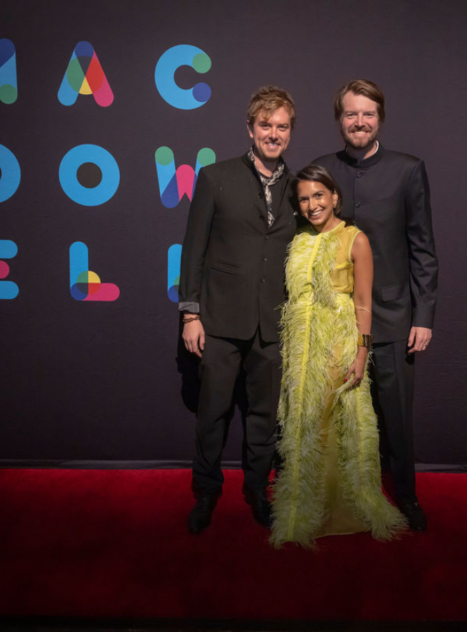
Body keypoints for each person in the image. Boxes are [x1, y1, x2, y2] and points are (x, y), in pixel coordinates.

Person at [313, 80, 438, 531]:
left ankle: (406, 496)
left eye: (367, 113)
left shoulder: (408, 170)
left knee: (396, 419)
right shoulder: (320, 170)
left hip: (391, 320)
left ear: (379, 117)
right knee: (334, 418)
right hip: (334, 321)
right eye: (350, 114)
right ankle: (339, 497)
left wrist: (423, 316)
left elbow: (422, 248)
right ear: (339, 120)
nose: (359, 122)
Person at [178, 86, 299, 533]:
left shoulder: (302, 187)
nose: (273, 134)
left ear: (290, 132)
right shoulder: (215, 177)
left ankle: (256, 490)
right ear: (250, 128)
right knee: (212, 414)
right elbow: (193, 251)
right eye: (265, 125)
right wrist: (191, 315)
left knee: (265, 418)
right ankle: (206, 493)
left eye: (281, 126)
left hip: (274, 323)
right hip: (220, 322)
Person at [270, 165, 406, 549]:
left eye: (318, 196)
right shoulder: (299, 240)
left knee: (333, 423)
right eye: (304, 199)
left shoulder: (355, 239)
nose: (312, 205)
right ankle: (303, 510)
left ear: (334, 196)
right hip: (300, 347)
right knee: (302, 422)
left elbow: (363, 301)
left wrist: (362, 352)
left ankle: (341, 509)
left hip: (338, 344)